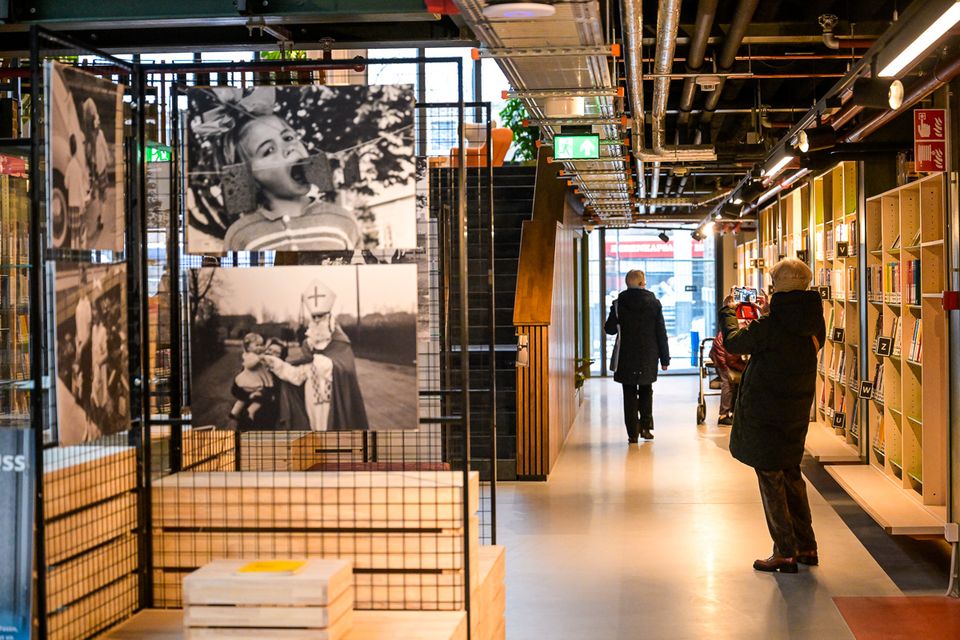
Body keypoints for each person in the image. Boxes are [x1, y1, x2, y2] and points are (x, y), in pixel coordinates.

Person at [720, 257, 825, 574]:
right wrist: (765, 313)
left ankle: (784, 551)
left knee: (770, 476)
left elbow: (735, 344)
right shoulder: (814, 321)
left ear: (778, 286)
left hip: (766, 410)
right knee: (791, 473)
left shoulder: (771, 325)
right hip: (795, 408)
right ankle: (806, 546)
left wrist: (729, 311)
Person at [263, 280, 369, 432]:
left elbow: (347, 371)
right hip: (311, 404)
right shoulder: (309, 347)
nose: (317, 320)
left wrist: (325, 363)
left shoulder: (340, 343)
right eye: (314, 317)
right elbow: (297, 375)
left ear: (329, 317)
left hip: (333, 403)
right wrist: (275, 363)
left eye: (321, 316)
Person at [604, 269, 670, 443]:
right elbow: (661, 333)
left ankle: (632, 433)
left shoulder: (618, 303)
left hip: (626, 355)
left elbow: (609, 329)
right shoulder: (654, 303)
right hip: (648, 355)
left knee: (629, 393)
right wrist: (665, 359)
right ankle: (646, 429)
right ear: (642, 283)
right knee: (646, 390)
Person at [228, 332, 277, 430]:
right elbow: (249, 364)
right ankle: (235, 412)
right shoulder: (248, 355)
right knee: (247, 398)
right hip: (251, 381)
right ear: (248, 347)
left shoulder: (259, 355)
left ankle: (249, 411)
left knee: (257, 398)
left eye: (261, 345)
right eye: (257, 345)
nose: (260, 347)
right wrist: (259, 358)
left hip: (258, 381)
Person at [710, 297, 746, 426]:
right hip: (721, 355)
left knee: (735, 382)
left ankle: (733, 412)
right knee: (728, 382)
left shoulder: (740, 326)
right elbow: (731, 360)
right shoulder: (740, 332)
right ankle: (723, 415)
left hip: (724, 353)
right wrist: (744, 367)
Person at [264, 337, 310, 430]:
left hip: (273, 410)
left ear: (281, 357)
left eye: (276, 353)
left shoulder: (282, 375)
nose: (271, 353)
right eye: (270, 350)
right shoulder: (255, 366)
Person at [73, 267, 93, 412]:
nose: (81, 289)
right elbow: (77, 327)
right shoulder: (78, 305)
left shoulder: (87, 305)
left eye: (83, 287)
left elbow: (89, 331)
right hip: (79, 343)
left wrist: (81, 347)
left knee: (85, 375)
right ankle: (79, 400)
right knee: (77, 373)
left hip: (85, 345)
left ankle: (86, 406)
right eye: (79, 287)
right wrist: (76, 342)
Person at [64, 133, 87, 249]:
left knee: (72, 233)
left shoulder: (69, 166)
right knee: (78, 232)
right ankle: (77, 251)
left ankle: (73, 250)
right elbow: (81, 188)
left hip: (70, 203)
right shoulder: (78, 167)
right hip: (78, 204)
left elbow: (66, 184)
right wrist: (83, 204)